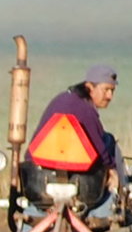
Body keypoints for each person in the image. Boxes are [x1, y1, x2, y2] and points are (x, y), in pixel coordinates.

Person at [24, 63, 121, 206]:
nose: (110, 96)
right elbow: (100, 147)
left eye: (112, 91)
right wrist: (112, 170)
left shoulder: (63, 98)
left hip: (37, 175)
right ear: (90, 87)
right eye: (106, 90)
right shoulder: (86, 110)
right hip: (73, 177)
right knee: (108, 140)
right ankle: (112, 199)